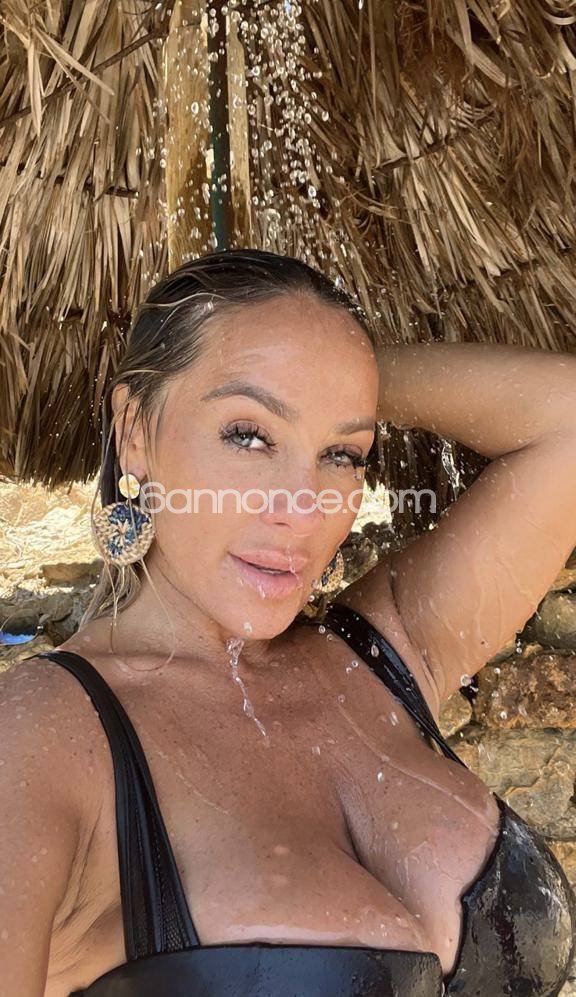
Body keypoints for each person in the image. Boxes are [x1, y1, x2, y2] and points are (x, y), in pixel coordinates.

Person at [2, 247, 575, 997]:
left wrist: (346, 370)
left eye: (341, 453)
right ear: (135, 428)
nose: (303, 509)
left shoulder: (386, 650)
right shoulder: (40, 737)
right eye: (249, 434)